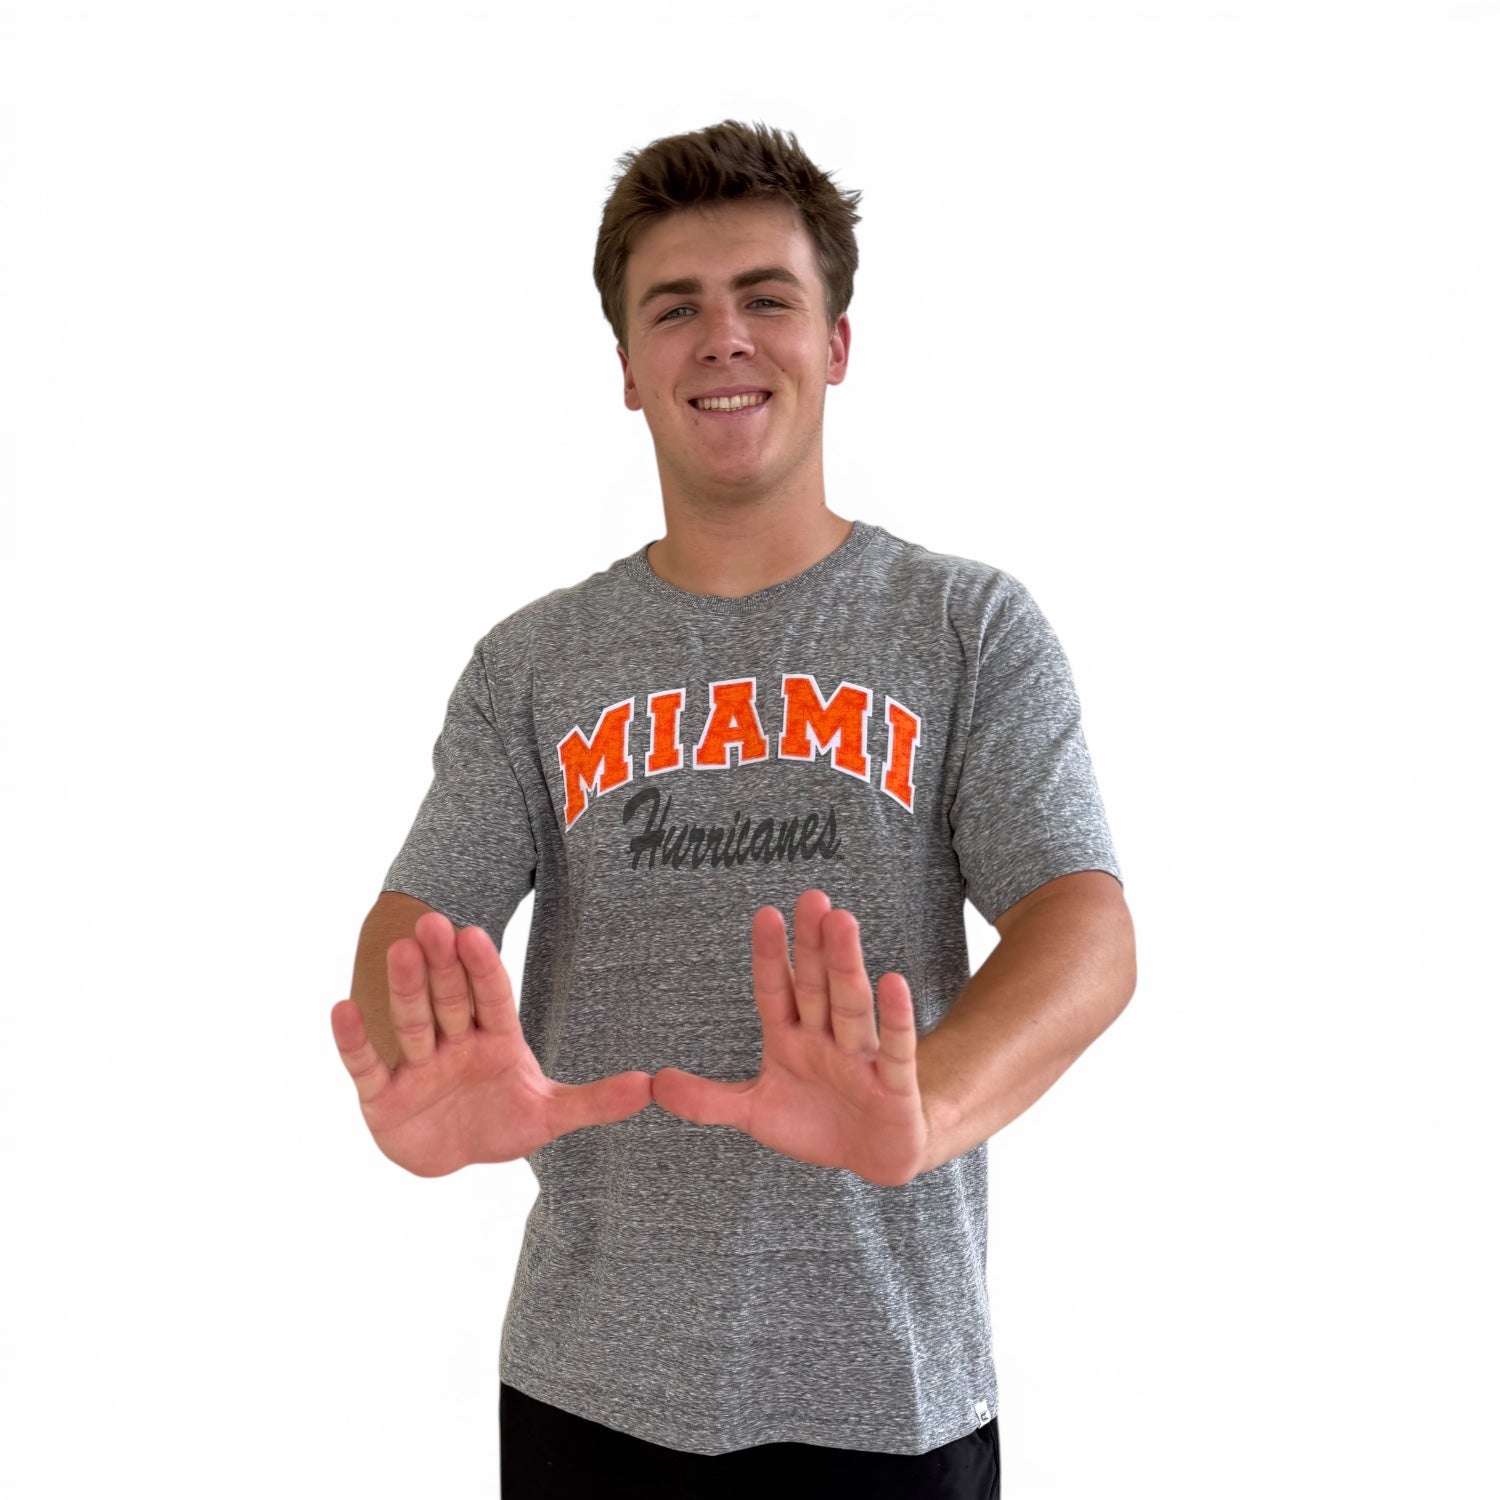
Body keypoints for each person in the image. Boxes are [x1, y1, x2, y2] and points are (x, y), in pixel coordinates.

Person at [330, 118, 1136, 1499]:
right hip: (588, 1383)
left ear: (836, 343)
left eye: (767, 298)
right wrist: (419, 1055)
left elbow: (1086, 928)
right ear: (628, 370)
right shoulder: (532, 665)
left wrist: (927, 1107)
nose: (724, 338)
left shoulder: (965, 628)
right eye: (675, 309)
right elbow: (420, 921)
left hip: (892, 1392)